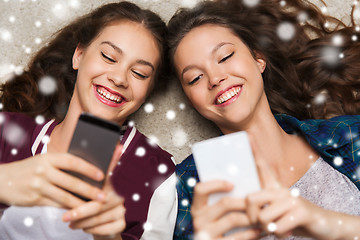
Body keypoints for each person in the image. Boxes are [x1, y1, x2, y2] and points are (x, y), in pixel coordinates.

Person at [167, 0, 360, 239]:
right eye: (195, 78)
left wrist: (325, 222)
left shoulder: (351, 136)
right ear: (190, 99)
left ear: (258, 59)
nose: (215, 78)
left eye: (225, 56)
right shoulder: (182, 189)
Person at [0, 1, 176, 240]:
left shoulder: (157, 174)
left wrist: (108, 236)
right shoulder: (6, 130)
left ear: (149, 89)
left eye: (139, 73)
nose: (119, 78)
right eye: (108, 57)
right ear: (79, 56)